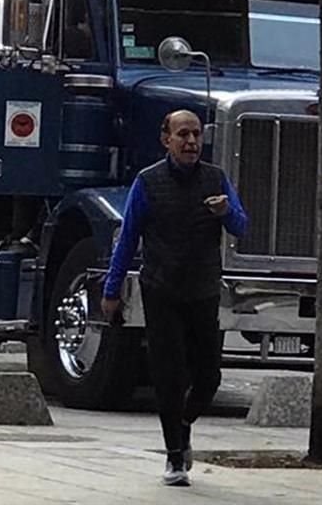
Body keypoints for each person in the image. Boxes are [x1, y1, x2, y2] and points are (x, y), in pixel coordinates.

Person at [102, 110, 247, 487]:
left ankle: (185, 418)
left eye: (196, 134)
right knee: (168, 375)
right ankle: (174, 455)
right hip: (161, 288)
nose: (191, 142)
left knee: (208, 375)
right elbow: (128, 237)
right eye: (183, 134)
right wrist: (111, 289)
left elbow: (242, 226)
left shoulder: (216, 179)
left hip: (202, 290)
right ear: (166, 139)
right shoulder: (147, 182)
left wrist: (226, 211)